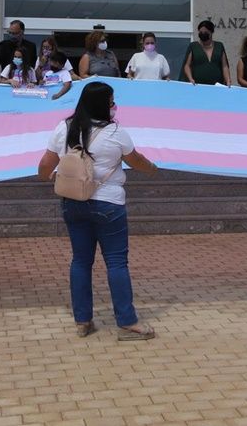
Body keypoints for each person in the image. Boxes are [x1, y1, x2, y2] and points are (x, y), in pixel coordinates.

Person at [37, 81, 159, 340]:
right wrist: (154, 168)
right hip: (109, 204)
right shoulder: (116, 132)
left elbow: (45, 166)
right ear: (103, 105)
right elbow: (136, 161)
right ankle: (127, 321)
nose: (114, 106)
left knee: (81, 261)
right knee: (116, 262)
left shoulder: (65, 127)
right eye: (111, 102)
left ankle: (83, 321)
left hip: (73, 203)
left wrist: (51, 176)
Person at [182, 20, 231, 86]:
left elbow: (224, 66)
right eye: (201, 32)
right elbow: (187, 65)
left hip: (217, 86)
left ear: (211, 32)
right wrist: (190, 79)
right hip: (198, 85)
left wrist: (228, 80)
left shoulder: (219, 46)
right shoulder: (193, 46)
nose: (203, 34)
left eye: (205, 32)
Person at [0, 20, 37, 84]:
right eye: (10, 33)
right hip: (7, 83)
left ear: (22, 32)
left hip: (24, 84)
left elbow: (32, 66)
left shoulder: (31, 46)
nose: (11, 36)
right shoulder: (4, 45)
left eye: (14, 33)